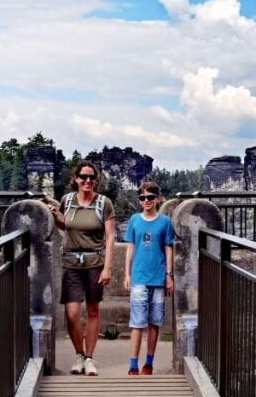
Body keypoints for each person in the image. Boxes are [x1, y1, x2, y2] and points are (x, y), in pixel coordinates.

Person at [50, 160, 116, 376]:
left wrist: (107, 268)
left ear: (96, 180)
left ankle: (89, 358)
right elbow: (65, 226)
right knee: (71, 313)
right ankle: (79, 354)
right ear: (76, 179)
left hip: (95, 263)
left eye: (91, 177)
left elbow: (111, 236)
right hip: (71, 263)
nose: (88, 181)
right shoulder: (66, 201)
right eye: (84, 177)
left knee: (93, 311)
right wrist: (56, 216)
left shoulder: (104, 203)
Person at [123, 181, 175, 376]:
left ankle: (149, 363)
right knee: (137, 323)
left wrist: (169, 276)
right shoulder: (135, 220)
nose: (146, 201)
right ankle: (133, 364)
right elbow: (130, 247)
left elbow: (168, 248)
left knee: (154, 322)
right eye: (143, 198)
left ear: (158, 199)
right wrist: (127, 274)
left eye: (150, 197)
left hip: (159, 278)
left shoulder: (164, 222)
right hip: (139, 278)